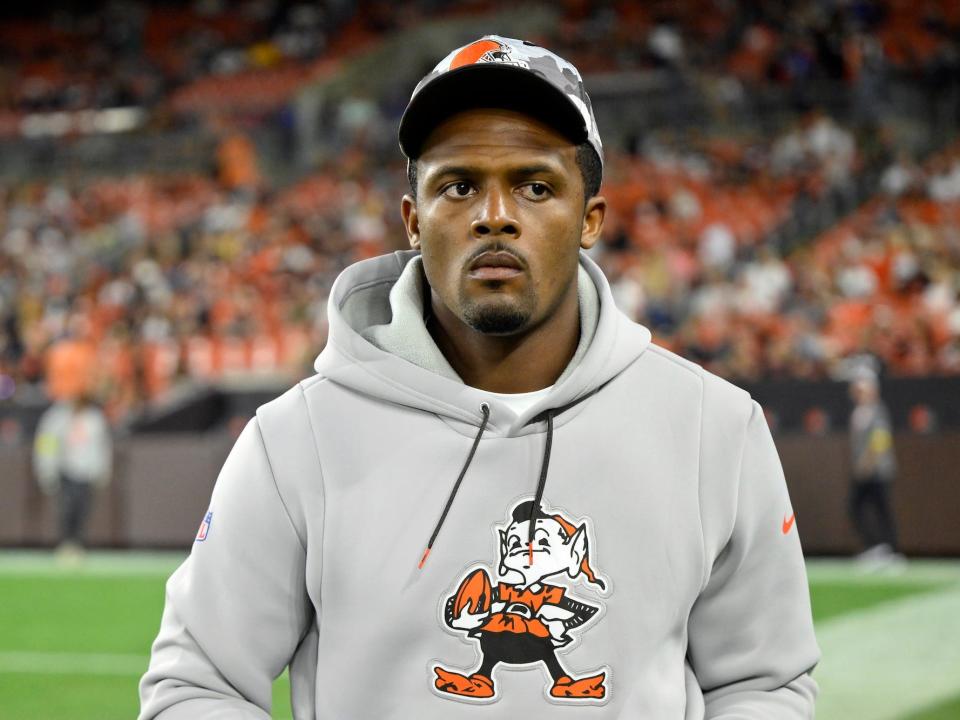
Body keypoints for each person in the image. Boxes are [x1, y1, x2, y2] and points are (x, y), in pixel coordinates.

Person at [140, 35, 819, 718]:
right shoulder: (296, 440)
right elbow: (197, 686)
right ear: (413, 220)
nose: (495, 216)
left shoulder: (714, 428)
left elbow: (763, 685)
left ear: (590, 219)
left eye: (535, 186)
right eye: (458, 186)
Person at [32, 393, 113, 559]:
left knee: (83, 510)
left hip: (86, 472)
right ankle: (66, 544)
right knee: (66, 509)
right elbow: (47, 443)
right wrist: (46, 468)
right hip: (65, 469)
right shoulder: (56, 417)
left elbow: (103, 446)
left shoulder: (94, 418)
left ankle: (78, 544)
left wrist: (102, 469)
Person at [848, 369, 902, 565]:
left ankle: (891, 549)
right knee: (856, 508)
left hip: (877, 470)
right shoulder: (858, 412)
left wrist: (868, 461)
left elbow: (881, 439)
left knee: (882, 510)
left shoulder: (878, 410)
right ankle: (874, 546)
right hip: (863, 472)